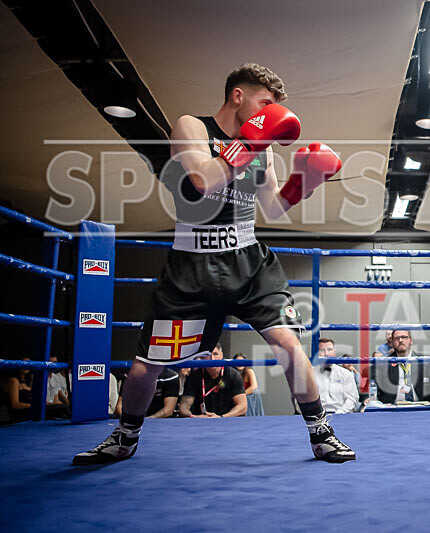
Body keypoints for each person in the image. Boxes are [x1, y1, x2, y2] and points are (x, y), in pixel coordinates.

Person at [73, 63, 354, 465]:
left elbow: (273, 207)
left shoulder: (264, 147)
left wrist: (305, 181)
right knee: (146, 365)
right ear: (238, 96)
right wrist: (248, 142)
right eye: (266, 103)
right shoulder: (193, 127)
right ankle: (125, 436)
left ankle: (321, 433)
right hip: (193, 264)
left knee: (289, 344)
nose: (270, 113)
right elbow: (203, 181)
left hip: (249, 262)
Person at [372, 330, 430, 404]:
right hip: (392, 408)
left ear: (411, 341)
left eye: (404, 337)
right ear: (392, 343)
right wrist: (367, 398)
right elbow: (370, 384)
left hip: (420, 406)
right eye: (397, 338)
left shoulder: (425, 361)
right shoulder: (382, 364)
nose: (400, 340)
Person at [178, 345, 247, 418]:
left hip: (227, 420)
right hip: (201, 421)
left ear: (221, 355)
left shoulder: (233, 375)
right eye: (208, 355)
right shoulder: (194, 376)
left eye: (215, 354)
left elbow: (242, 407)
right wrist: (195, 417)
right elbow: (184, 407)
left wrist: (222, 417)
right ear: (202, 357)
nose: (212, 359)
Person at [313, 339, 359, 414]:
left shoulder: (345, 374)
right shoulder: (309, 374)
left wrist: (341, 412)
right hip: (316, 417)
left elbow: (352, 398)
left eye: (330, 350)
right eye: (322, 350)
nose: (326, 353)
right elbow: (301, 398)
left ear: (334, 352)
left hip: (341, 414)